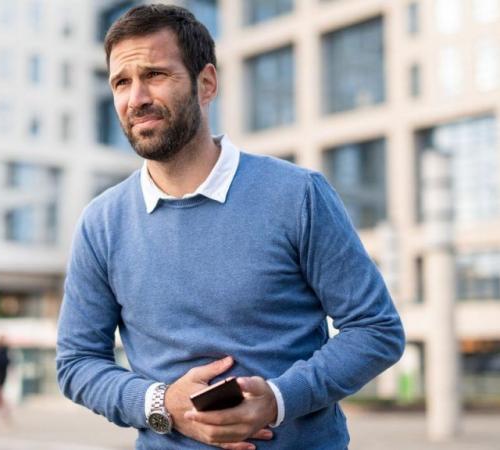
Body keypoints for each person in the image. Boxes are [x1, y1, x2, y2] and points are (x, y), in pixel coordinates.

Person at [56, 4, 405, 449]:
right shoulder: (100, 223)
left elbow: (376, 329)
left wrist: (278, 399)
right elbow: (77, 362)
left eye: (156, 75)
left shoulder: (297, 195)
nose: (136, 97)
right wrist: (161, 404)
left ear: (206, 84)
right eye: (121, 82)